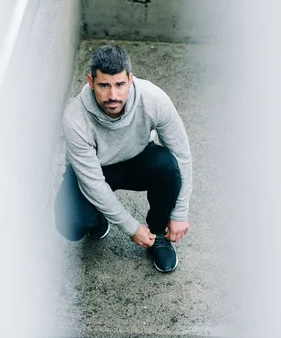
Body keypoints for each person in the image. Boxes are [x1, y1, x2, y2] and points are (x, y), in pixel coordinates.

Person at [54, 45, 192, 273]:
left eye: (119, 85)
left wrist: (179, 213)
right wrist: (130, 227)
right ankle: (96, 219)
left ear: (130, 79)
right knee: (69, 223)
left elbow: (182, 155)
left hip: (139, 158)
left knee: (168, 165)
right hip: (98, 168)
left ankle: (157, 234)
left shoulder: (153, 99)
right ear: (90, 81)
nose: (113, 95)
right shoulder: (75, 118)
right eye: (104, 85)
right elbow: (93, 183)